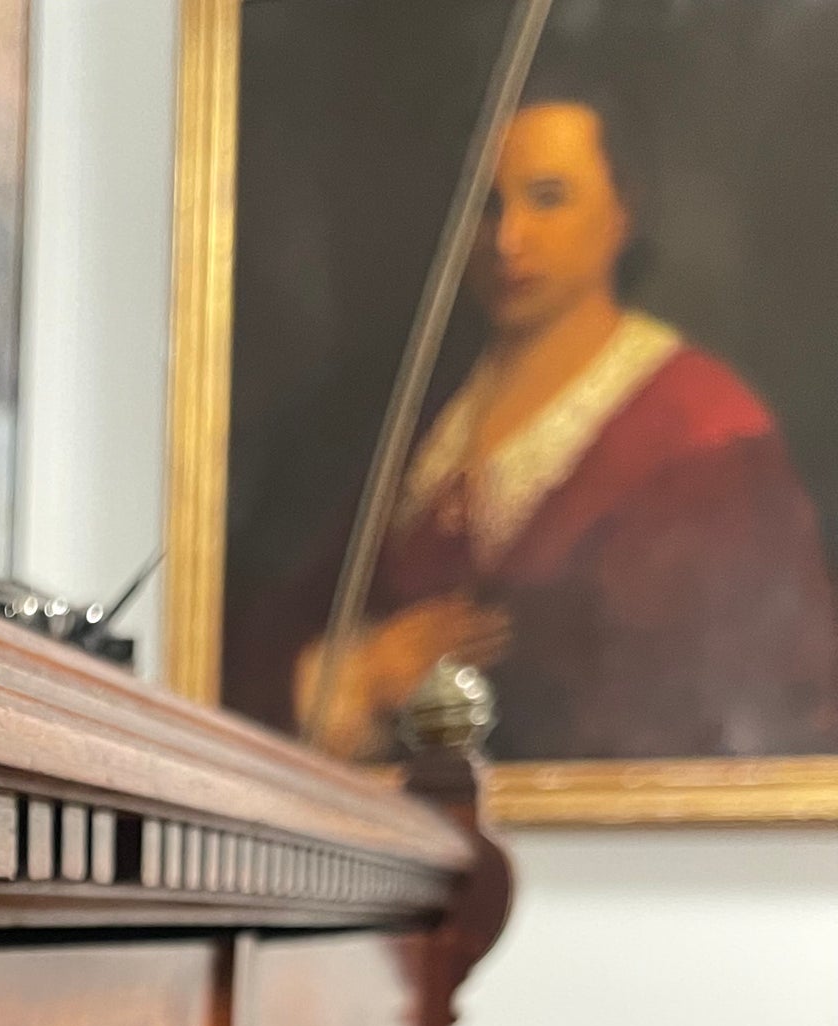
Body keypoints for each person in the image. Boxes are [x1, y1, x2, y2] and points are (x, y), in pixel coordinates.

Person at [288, 92, 838, 761]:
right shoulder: (422, 417)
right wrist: (360, 674)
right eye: (488, 206)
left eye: (548, 198)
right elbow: (281, 628)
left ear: (623, 212)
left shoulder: (705, 424)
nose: (509, 239)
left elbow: (712, 695)